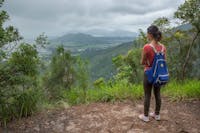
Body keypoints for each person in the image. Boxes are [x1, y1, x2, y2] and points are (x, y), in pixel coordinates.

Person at [139, 25, 166, 122]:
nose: (147, 35)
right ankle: (157, 115)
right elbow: (164, 61)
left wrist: (147, 63)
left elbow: (142, 62)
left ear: (150, 34)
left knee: (147, 95)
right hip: (159, 74)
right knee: (158, 94)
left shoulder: (147, 47)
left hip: (149, 74)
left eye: (147, 33)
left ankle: (145, 116)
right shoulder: (163, 47)